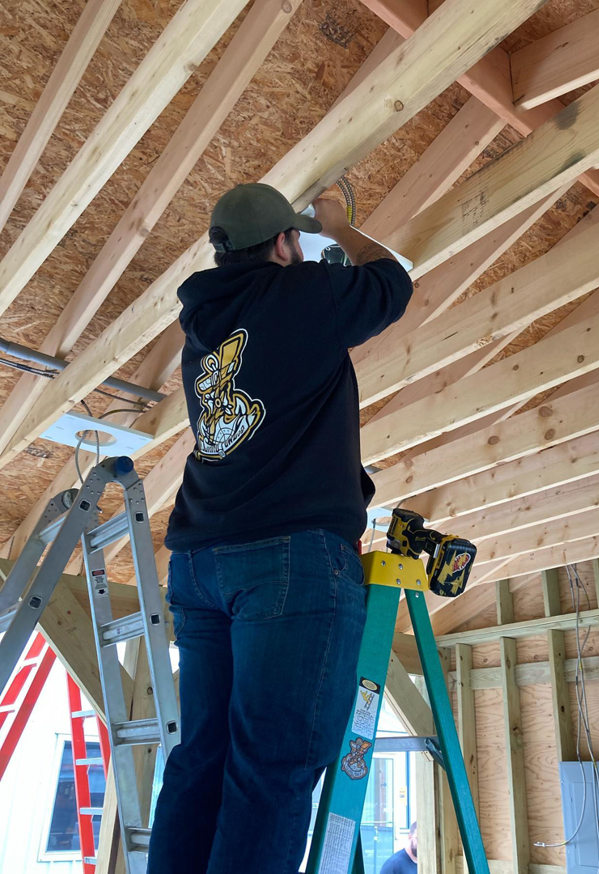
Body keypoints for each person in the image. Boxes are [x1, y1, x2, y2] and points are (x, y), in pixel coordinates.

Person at [147, 182, 413, 874]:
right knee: (270, 765)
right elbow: (392, 281)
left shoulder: (203, 328)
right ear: (285, 244)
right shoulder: (303, 295)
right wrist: (339, 227)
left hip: (200, 558)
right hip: (285, 558)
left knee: (202, 760)